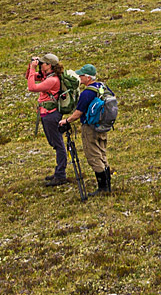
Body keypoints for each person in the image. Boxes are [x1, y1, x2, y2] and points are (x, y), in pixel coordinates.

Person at [25, 52, 79, 187]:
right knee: (55, 143)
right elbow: (29, 77)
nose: (40, 64)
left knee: (58, 144)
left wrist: (33, 68)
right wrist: (31, 67)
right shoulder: (47, 76)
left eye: (42, 63)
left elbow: (32, 87)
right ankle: (59, 172)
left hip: (51, 114)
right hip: (47, 114)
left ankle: (60, 175)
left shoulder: (52, 80)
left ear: (49, 65)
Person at [65, 63, 114, 193]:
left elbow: (78, 113)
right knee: (102, 153)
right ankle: (107, 184)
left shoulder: (87, 92)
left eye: (81, 76)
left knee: (93, 155)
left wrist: (66, 121)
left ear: (87, 77)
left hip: (90, 128)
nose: (79, 78)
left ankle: (103, 188)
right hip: (103, 125)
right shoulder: (102, 87)